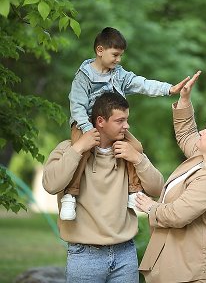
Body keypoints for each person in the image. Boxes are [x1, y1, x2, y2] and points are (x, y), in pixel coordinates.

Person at [61, 26, 190, 220]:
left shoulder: (119, 74)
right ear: (100, 50)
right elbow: (77, 106)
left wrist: (169, 89)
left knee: (134, 147)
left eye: (121, 55)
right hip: (85, 123)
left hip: (112, 125)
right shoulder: (84, 76)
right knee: (82, 150)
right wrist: (88, 131)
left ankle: (134, 190)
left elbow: (142, 83)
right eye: (115, 55)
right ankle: (70, 195)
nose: (118, 60)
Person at [136, 71, 206, 283]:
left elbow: (178, 215)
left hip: (196, 271)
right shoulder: (200, 160)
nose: (201, 133)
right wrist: (185, 99)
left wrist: (150, 207)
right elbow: (186, 133)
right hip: (180, 263)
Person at [42, 92, 164, 282]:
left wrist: (138, 159)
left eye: (127, 119)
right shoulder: (68, 148)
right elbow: (50, 184)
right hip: (84, 256)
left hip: (125, 253)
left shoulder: (129, 153)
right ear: (100, 121)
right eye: (120, 120)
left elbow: (157, 189)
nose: (127, 126)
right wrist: (78, 149)